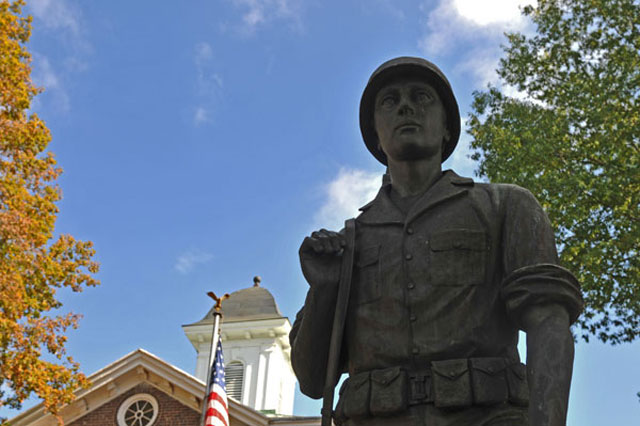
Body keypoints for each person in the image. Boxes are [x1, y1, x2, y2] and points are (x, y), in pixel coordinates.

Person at [289, 57, 583, 426]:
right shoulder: (348, 243)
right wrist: (325, 289)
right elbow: (314, 381)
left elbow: (549, 322)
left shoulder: (505, 206)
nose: (406, 107)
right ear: (375, 134)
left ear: (447, 127)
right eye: (389, 101)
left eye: (422, 97)